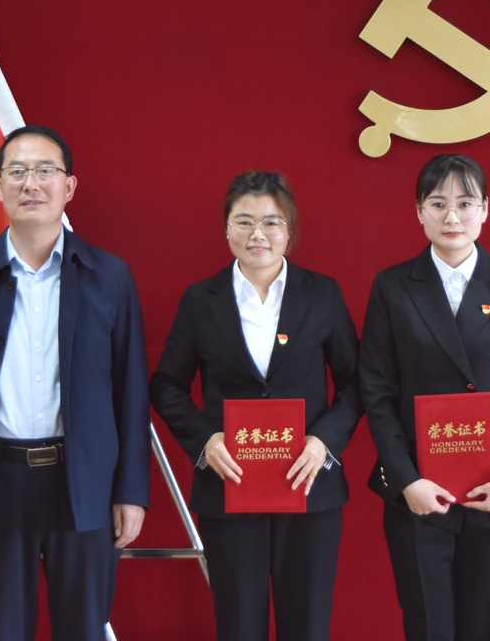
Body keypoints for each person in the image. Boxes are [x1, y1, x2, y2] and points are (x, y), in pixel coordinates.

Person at [0, 125, 150, 640]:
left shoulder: (109, 277)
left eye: (45, 171)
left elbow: (130, 392)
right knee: (2, 629)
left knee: (84, 628)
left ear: (68, 187)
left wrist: (131, 491)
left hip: (83, 481)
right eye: (18, 172)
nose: (31, 183)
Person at [149, 170, 363, 641]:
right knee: (239, 625)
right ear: (227, 229)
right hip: (230, 485)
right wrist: (206, 441)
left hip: (309, 484)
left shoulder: (322, 293)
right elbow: (166, 385)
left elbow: (356, 382)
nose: (257, 234)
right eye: (244, 221)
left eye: (271, 222)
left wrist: (323, 442)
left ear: (289, 230)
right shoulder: (200, 300)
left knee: (306, 625)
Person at [359, 154, 490, 641]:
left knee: (489, 628)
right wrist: (406, 480)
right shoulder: (392, 286)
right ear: (419, 211)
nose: (452, 216)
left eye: (465, 203)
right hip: (419, 493)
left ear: (485, 209)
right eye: (438, 203)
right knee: (428, 627)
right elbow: (377, 391)